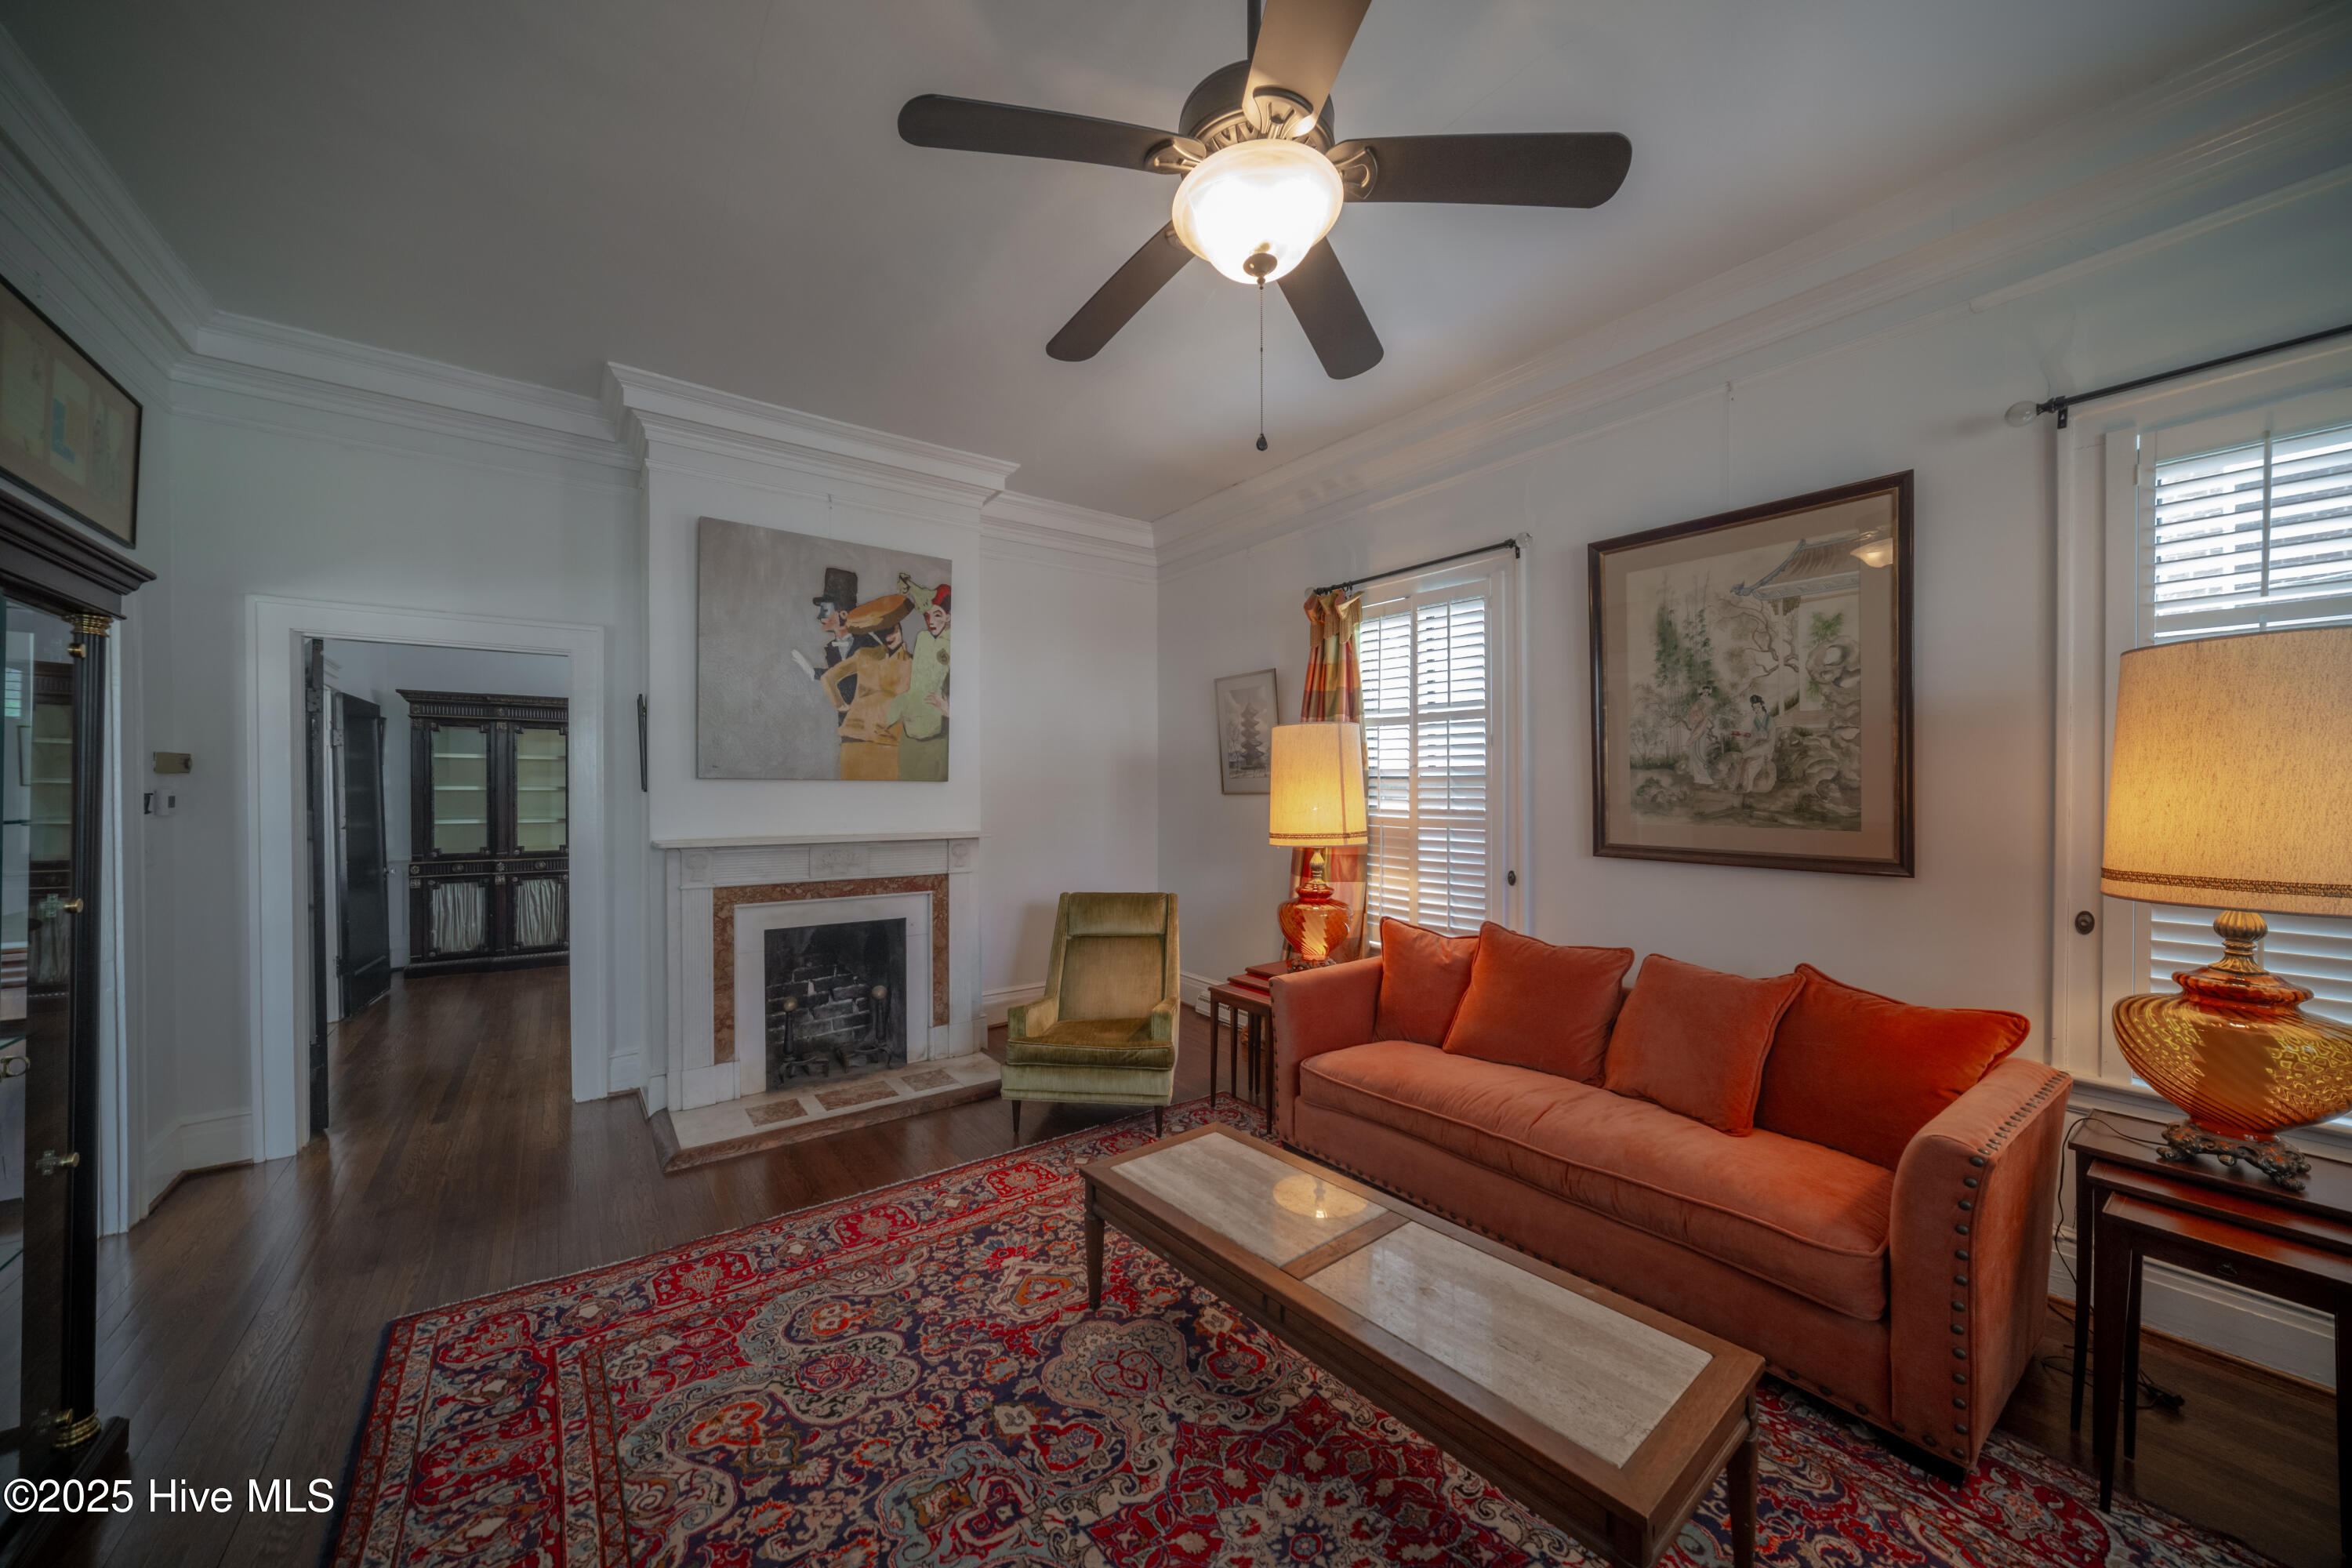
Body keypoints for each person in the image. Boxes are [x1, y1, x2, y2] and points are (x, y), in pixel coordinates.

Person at [819, 594, 914, 779]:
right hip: (854, 740)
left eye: (892, 630)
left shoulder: (912, 664)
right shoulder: (865, 655)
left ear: (899, 627)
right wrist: (841, 705)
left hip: (889, 744)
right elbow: (828, 678)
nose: (888, 637)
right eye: (882, 632)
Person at [890, 583, 951, 781]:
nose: (931, 622)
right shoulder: (923, 638)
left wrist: (949, 709)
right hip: (911, 727)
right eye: (927, 616)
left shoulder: (958, 644)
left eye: (938, 615)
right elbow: (919, 675)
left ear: (949, 616)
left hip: (937, 733)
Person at [1683, 685, 1717, 786]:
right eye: (1704, 693)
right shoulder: (1698, 703)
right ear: (1701, 694)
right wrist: (1701, 713)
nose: (1706, 695)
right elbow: (1692, 717)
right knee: (1697, 752)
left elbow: (1707, 718)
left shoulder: (1706, 704)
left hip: (1703, 730)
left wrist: (1705, 717)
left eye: (1707, 693)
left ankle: (1701, 776)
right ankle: (1700, 777)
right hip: (1697, 730)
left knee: (1701, 752)